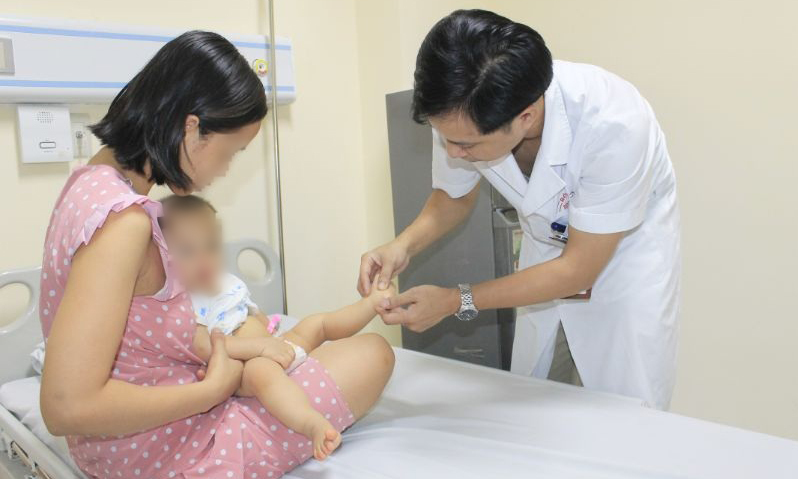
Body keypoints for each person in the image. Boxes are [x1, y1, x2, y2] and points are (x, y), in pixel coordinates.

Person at [39, 31, 394, 479]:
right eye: (230, 152)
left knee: (329, 347)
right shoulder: (123, 224)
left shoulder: (88, 183)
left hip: (124, 438)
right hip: (162, 449)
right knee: (373, 355)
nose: (225, 170)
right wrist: (212, 391)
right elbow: (66, 406)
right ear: (191, 128)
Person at [359, 9, 680, 409]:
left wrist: (455, 300)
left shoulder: (616, 124)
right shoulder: (464, 115)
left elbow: (577, 271)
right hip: (546, 250)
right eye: (446, 139)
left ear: (525, 117)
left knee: (625, 410)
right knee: (535, 400)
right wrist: (401, 246)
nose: (453, 153)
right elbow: (454, 197)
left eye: (466, 145)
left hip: (621, 262)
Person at [159, 194, 395, 460]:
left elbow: (247, 309)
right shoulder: (181, 302)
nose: (204, 259)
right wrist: (259, 347)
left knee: (317, 323)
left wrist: (267, 327)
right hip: (244, 367)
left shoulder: (223, 281)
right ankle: (310, 422)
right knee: (264, 374)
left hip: (273, 344)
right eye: (187, 251)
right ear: (161, 256)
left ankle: (370, 305)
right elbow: (205, 347)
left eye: (212, 246)